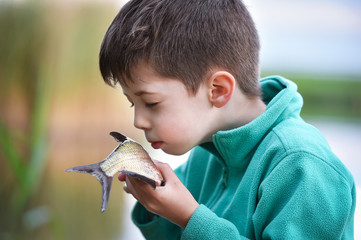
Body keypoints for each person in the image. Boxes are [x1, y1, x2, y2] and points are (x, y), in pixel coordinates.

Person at [99, 0, 356, 239]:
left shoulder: (303, 166)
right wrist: (156, 206)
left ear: (218, 90)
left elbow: (191, 224)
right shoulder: (207, 153)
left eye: (151, 102)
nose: (138, 121)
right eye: (133, 103)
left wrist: (189, 218)